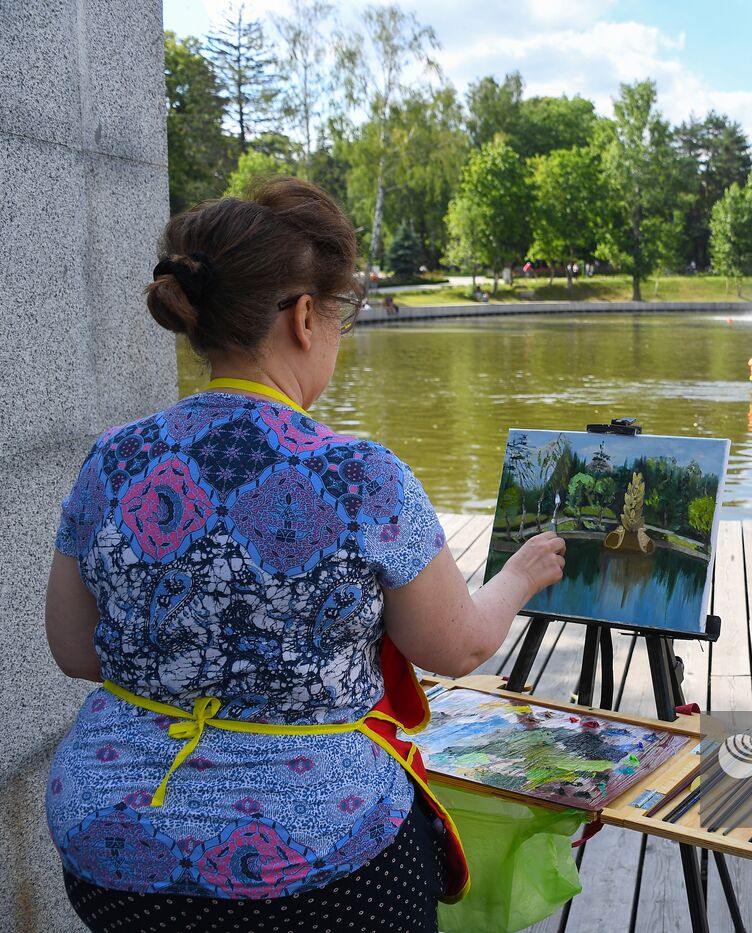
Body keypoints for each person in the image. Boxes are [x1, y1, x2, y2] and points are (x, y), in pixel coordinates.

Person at [44, 177, 567, 930]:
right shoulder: (359, 474)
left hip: (114, 853)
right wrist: (517, 574)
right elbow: (456, 645)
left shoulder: (112, 459)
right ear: (303, 316)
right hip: (315, 867)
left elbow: (74, 650)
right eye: (336, 320)